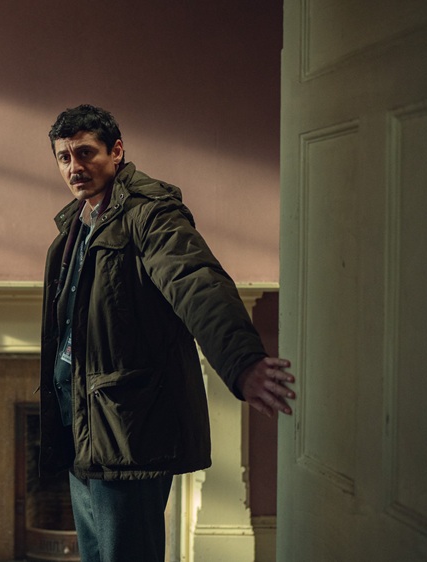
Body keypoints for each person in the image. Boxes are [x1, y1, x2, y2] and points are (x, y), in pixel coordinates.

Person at [39, 104, 296, 562]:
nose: (74, 167)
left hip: (127, 428)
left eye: (85, 152)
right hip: (79, 424)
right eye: (64, 157)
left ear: (116, 151)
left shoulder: (149, 213)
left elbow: (195, 281)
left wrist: (242, 362)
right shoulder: (74, 226)